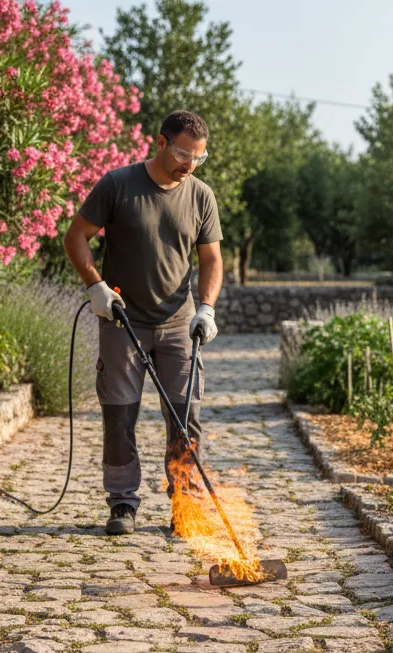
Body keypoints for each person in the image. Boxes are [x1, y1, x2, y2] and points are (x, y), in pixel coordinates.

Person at [63, 110, 223, 536]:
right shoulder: (119, 185)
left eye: (198, 158)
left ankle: (185, 506)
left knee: (185, 416)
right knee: (120, 416)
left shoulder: (200, 196)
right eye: (184, 153)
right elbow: (75, 235)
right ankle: (122, 503)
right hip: (123, 322)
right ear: (160, 142)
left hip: (179, 324)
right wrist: (96, 286)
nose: (190, 164)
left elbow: (211, 260)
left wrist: (205, 308)